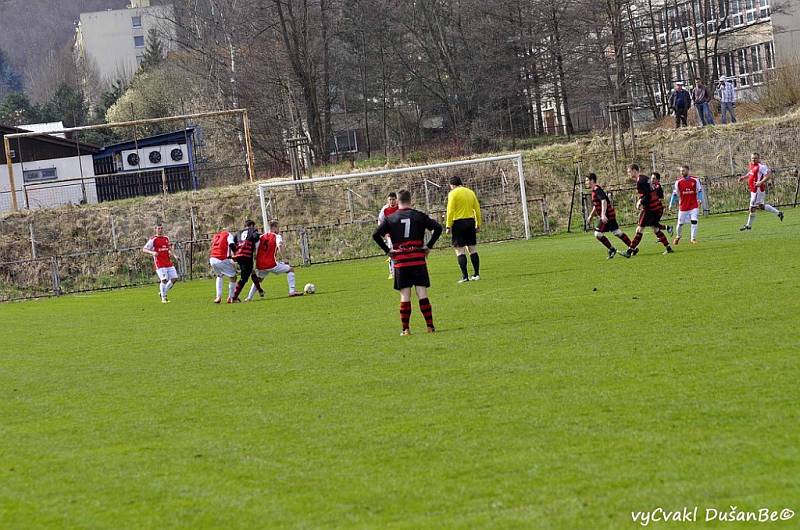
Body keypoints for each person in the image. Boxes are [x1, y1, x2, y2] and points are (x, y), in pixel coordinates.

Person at [373, 189, 443, 335]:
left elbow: (375, 235)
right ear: (411, 201)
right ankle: (430, 326)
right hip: (418, 259)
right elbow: (438, 228)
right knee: (422, 292)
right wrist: (428, 246)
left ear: (397, 201)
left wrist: (388, 251)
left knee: (405, 295)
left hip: (401, 261)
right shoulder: (419, 216)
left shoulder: (391, 218)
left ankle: (406, 329)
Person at [622, 165, 674, 257]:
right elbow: (651, 192)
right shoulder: (645, 178)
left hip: (649, 209)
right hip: (655, 207)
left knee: (639, 229)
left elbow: (648, 196)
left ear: (634, 171)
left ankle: (629, 251)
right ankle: (668, 248)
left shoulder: (640, 181)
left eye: (629, 171)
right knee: (655, 229)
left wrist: (640, 201)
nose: (628, 173)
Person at [246, 220, 303, 300]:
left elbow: (254, 248)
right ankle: (292, 291)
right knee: (290, 269)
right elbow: (280, 245)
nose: (279, 230)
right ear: (274, 227)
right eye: (278, 227)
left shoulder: (261, 237)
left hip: (260, 264)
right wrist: (284, 258)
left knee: (258, 280)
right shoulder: (276, 236)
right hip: (271, 264)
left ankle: (249, 298)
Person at [584, 173, 633, 259]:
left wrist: (602, 214)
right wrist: (590, 216)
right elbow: (596, 204)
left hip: (607, 215)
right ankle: (633, 248)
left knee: (598, 234)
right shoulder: (594, 190)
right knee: (617, 232)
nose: (586, 182)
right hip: (609, 214)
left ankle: (612, 249)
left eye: (587, 180)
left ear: (592, 180)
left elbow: (604, 201)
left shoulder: (596, 189)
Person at [445, 176, 481, 283]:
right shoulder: (470, 192)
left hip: (458, 223)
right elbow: (477, 209)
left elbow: (450, 210)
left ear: (452, 185)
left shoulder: (453, 193)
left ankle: (465, 276)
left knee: (460, 250)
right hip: (470, 222)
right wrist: (478, 223)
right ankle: (476, 274)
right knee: (472, 249)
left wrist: (448, 225)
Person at [738, 153, 784, 231]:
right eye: (752, 158)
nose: (753, 160)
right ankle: (779, 213)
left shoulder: (761, 167)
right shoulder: (752, 165)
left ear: (759, 159)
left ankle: (748, 226)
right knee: (761, 206)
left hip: (758, 190)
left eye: (755, 158)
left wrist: (761, 182)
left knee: (752, 208)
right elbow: (751, 173)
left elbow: (768, 174)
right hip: (753, 190)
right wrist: (744, 177)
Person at [142, 223, 179, 304]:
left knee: (175, 278)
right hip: (160, 263)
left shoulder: (166, 238)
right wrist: (152, 253)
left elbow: (168, 249)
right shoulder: (153, 239)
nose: (160, 230)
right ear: (155, 229)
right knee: (164, 280)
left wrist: (175, 256)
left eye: (161, 228)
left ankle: (163, 292)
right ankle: (164, 298)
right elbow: (144, 249)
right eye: (158, 228)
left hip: (168, 262)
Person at [668, 166, 704, 245]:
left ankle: (693, 238)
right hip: (683, 206)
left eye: (683, 171)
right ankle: (678, 236)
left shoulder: (695, 180)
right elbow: (674, 194)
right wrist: (671, 204)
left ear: (688, 171)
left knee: (694, 221)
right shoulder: (678, 182)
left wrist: (700, 199)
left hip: (693, 205)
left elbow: (700, 191)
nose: (681, 172)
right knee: (680, 224)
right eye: (681, 171)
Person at [230, 220, 263, 302]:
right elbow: (255, 238)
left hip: (239, 255)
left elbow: (233, 242)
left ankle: (260, 290)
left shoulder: (238, 233)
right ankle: (234, 298)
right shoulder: (253, 231)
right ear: (251, 225)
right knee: (244, 278)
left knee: (252, 271)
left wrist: (235, 252)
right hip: (247, 255)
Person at [209, 229, 239, 303]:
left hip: (212, 259)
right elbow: (231, 244)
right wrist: (237, 253)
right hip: (220, 258)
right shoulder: (228, 234)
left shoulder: (216, 236)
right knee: (233, 276)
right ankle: (231, 297)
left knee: (219, 275)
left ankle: (218, 297)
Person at [378, 192, 400, 279]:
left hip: (401, 234)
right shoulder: (385, 209)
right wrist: (384, 234)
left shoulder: (400, 207)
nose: (392, 201)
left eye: (393, 199)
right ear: (388, 200)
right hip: (391, 236)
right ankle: (392, 272)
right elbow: (380, 222)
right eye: (390, 199)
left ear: (396, 199)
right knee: (392, 253)